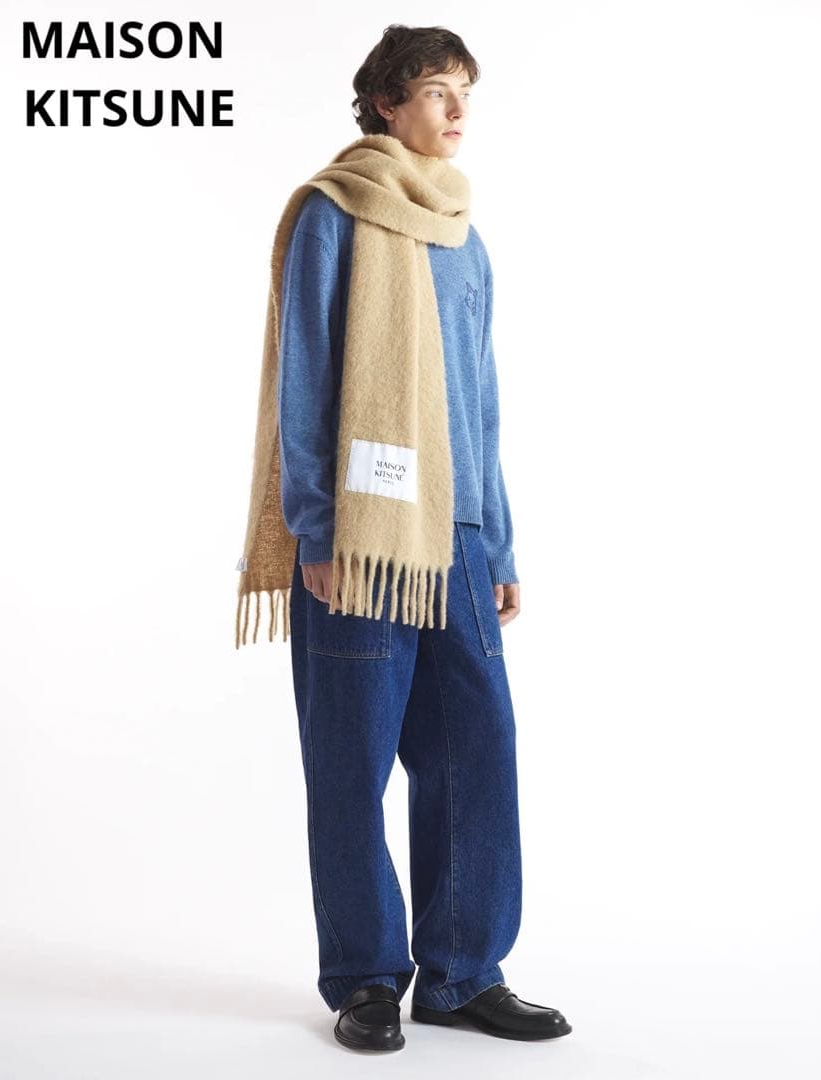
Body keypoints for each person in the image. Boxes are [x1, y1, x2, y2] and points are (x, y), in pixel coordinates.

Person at [276, 25, 573, 1052]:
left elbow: (479, 402)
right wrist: (317, 528)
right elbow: (304, 379)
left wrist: (500, 543)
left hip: (456, 539)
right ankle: (364, 977)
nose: (456, 112)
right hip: (360, 540)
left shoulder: (463, 236)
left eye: (464, 94)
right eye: (438, 92)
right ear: (385, 103)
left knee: (474, 751)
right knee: (351, 761)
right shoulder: (331, 213)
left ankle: (460, 973)